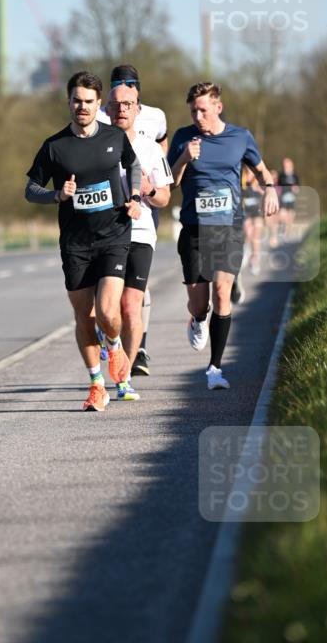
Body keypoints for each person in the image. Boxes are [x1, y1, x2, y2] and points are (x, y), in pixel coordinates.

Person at [25, 71, 142, 411]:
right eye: (77, 100)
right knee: (83, 316)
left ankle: (116, 344)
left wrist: (134, 195)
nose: (82, 107)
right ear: (69, 102)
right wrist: (57, 195)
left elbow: (132, 166)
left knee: (108, 310)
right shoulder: (54, 146)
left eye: (89, 101)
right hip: (75, 243)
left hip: (113, 234)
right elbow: (30, 189)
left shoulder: (114, 137)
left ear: (97, 104)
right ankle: (96, 384)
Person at [169, 82, 279, 391]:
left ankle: (215, 368)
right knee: (199, 303)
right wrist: (184, 158)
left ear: (218, 107)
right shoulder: (182, 137)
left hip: (229, 226)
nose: (198, 117)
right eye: (193, 111)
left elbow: (261, 170)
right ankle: (197, 319)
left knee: (222, 292)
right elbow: (172, 182)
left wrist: (270, 190)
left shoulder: (240, 137)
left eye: (203, 110)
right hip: (193, 227)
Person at [97, 63, 169, 376]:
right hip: (103, 233)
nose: (121, 111)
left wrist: (148, 190)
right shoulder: (95, 147)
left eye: (127, 105)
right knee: (104, 308)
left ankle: (125, 372)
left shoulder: (151, 149)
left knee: (130, 304)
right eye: (115, 106)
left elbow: (165, 198)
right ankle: (111, 344)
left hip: (140, 233)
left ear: (137, 109)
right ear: (107, 110)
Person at [242, 166, 265, 276]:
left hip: (257, 211)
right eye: (248, 171)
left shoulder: (258, 179)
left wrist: (258, 188)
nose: (250, 173)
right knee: (248, 233)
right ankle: (248, 251)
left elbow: (265, 192)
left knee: (256, 236)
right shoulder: (242, 180)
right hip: (246, 211)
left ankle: (255, 260)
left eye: (252, 171)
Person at [277, 157, 301, 236]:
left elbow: (298, 187)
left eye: (287, 164)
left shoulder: (295, 176)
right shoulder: (281, 175)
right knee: (282, 214)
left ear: (291, 165)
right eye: (284, 164)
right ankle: (283, 226)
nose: (286, 166)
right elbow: (278, 186)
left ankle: (287, 232)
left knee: (291, 216)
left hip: (292, 198)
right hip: (283, 198)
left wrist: (296, 189)